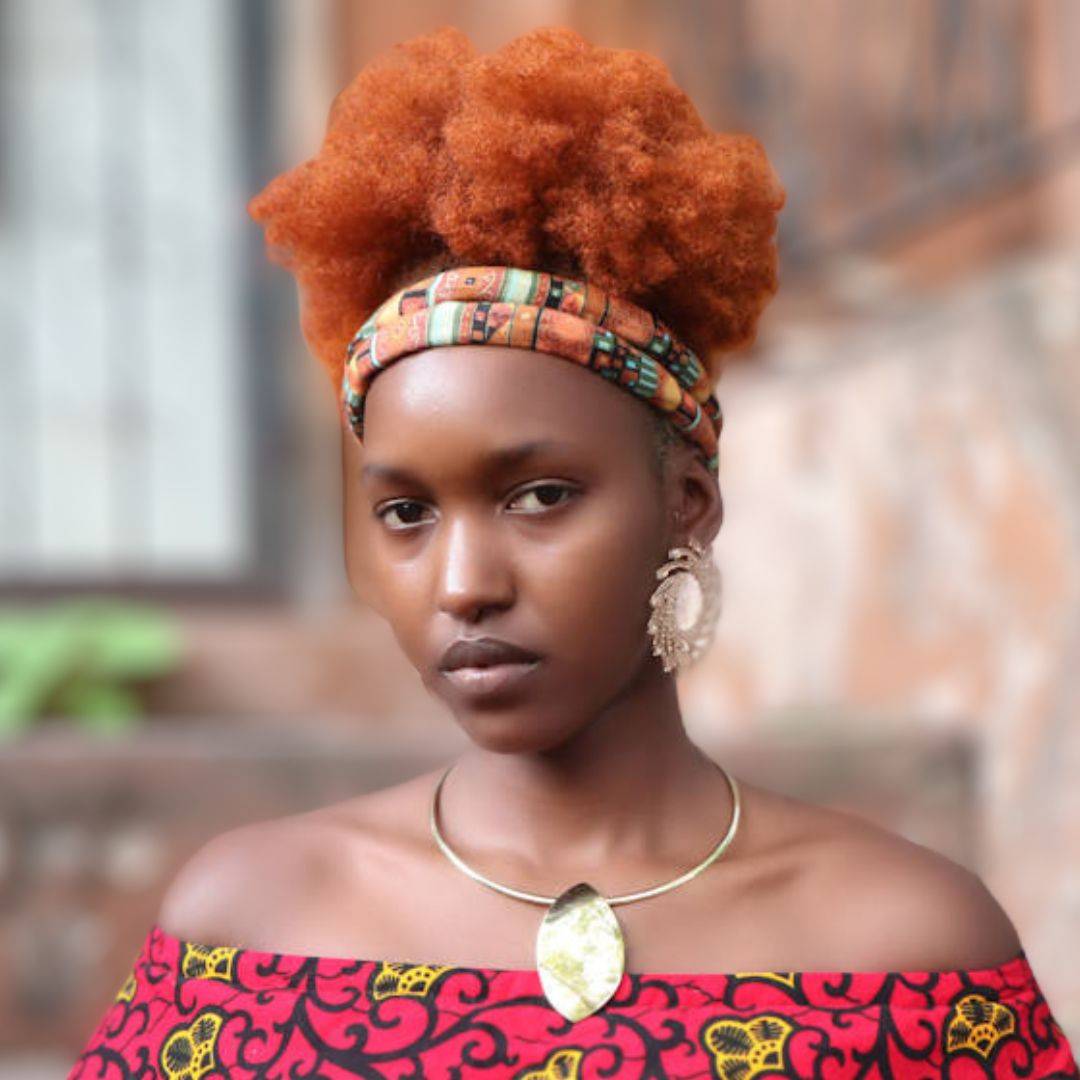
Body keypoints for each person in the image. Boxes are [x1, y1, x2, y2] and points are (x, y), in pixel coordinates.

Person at [71, 25, 1078, 1079]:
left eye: (540, 496)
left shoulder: (911, 957)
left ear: (688, 504)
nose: (464, 585)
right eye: (407, 512)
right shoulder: (248, 933)